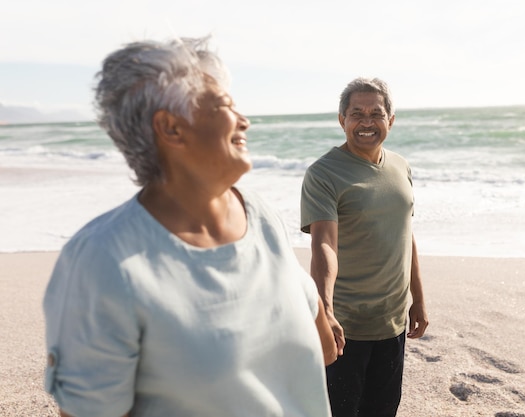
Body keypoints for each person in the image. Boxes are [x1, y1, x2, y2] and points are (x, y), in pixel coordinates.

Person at [43, 36, 337, 417]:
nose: (244, 121)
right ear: (170, 128)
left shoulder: (261, 216)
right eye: (225, 106)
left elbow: (324, 345)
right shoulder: (103, 261)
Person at [300, 77, 429, 417]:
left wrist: (419, 299)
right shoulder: (323, 174)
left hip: (392, 320)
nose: (367, 122)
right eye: (357, 113)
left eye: (376, 113)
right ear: (342, 119)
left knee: (383, 410)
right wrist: (325, 310)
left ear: (391, 120)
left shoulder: (401, 166)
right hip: (346, 325)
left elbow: (405, 233)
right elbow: (324, 244)